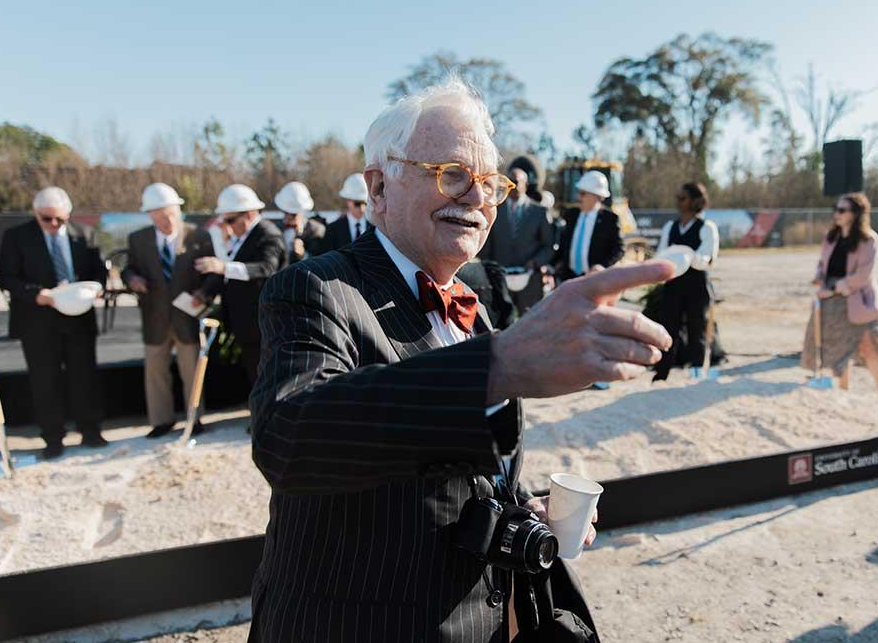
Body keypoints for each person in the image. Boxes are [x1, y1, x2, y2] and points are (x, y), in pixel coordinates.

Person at [247, 78, 675, 642]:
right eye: (452, 174)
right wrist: (499, 365)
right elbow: (289, 437)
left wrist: (520, 505)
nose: (476, 198)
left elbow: (447, 464)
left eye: (489, 183)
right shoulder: (315, 289)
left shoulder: (474, 297)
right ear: (378, 188)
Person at [0, 187, 108, 458]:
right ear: (36, 214)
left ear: (68, 214)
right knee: (44, 381)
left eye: (59, 219)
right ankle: (53, 438)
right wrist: (36, 295)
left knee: (84, 377)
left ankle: (90, 431)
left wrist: (95, 289)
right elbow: (7, 278)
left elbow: (98, 273)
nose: (54, 224)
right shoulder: (16, 237)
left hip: (79, 319)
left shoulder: (85, 235)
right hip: (37, 322)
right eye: (46, 219)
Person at [122, 183, 217, 438]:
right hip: (154, 317)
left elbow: (213, 275)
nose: (167, 220)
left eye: (171, 214)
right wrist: (132, 279)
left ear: (178, 210)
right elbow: (128, 268)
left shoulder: (198, 236)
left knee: (192, 371)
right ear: (150, 215)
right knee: (155, 372)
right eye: (161, 216)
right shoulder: (138, 239)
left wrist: (204, 294)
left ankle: (194, 419)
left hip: (187, 317)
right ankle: (161, 421)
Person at [194, 185, 286, 387]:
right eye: (224, 220)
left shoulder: (267, 234)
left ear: (250, 214)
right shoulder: (240, 238)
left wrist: (224, 267)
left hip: (262, 323)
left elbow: (266, 267)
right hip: (247, 324)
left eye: (231, 220)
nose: (227, 225)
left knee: (266, 378)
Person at [802, 192, 878, 395]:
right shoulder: (831, 238)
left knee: (870, 346)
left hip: (858, 304)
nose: (837, 214)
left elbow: (863, 276)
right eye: (836, 209)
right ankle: (844, 392)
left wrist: (834, 287)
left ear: (855, 214)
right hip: (830, 304)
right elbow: (823, 264)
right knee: (838, 351)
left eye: (842, 210)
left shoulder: (869, 240)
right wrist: (819, 277)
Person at [647, 182, 721, 381]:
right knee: (668, 326)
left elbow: (707, 259)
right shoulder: (670, 227)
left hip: (697, 284)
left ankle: (697, 369)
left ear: (695, 201)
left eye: (683, 198)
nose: (678, 202)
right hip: (673, 284)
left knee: (697, 326)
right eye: (677, 198)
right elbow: (662, 254)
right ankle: (662, 372)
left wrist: (687, 256)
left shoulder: (707, 228)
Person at [479, 167, 556, 313]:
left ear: (525, 184)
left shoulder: (539, 212)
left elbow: (549, 245)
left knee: (530, 323)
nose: (512, 186)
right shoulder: (493, 209)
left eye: (516, 182)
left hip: (529, 281)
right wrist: (490, 267)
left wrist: (535, 262)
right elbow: (485, 242)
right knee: (500, 323)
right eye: (508, 182)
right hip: (499, 280)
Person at [553, 170, 624, 281]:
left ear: (596, 196)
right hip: (568, 278)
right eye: (579, 192)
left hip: (595, 280)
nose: (578, 197)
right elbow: (562, 244)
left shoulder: (609, 219)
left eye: (582, 193)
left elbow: (619, 248)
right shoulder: (571, 215)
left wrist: (602, 266)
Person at [273, 181, 326, 265]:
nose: (288, 217)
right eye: (285, 212)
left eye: (293, 214)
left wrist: (303, 255)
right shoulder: (274, 229)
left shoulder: (316, 230)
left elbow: (321, 262)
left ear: (303, 211)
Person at [322, 172, 371, 250]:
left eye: (365, 203)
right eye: (357, 203)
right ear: (348, 201)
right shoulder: (332, 230)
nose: (362, 208)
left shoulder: (376, 228)